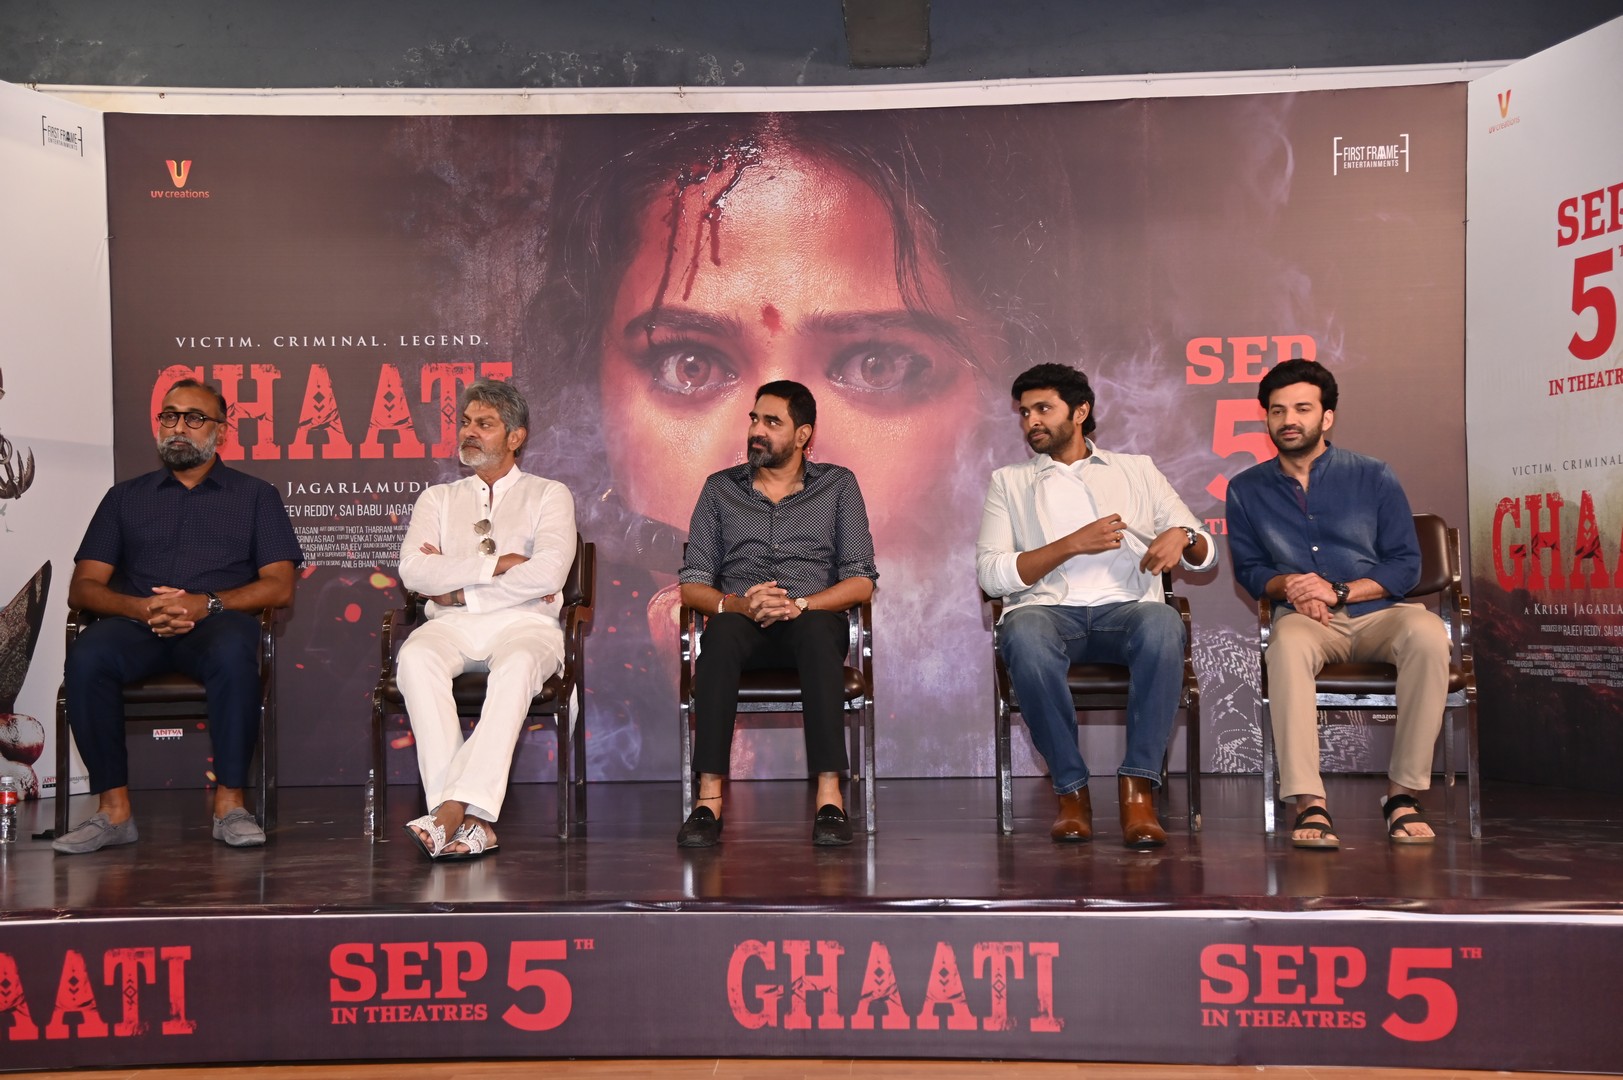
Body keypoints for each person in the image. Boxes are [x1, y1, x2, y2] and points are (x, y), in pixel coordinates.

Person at [534, 111, 1084, 783]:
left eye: (878, 364)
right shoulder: (572, 732)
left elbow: (856, 580)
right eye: (690, 364)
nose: (761, 439)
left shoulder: (850, 505)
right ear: (595, 395)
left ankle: (825, 795)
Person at [56, 379, 302, 853]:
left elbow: (280, 585)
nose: (179, 427)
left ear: (221, 431)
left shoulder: (255, 496)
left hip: (216, 622)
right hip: (137, 625)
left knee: (234, 652)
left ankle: (230, 805)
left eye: (194, 418)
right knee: (88, 656)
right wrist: (141, 607)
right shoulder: (124, 497)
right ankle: (114, 812)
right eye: (170, 416)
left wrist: (204, 602)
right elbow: (82, 587)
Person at [976, 363, 1215, 848]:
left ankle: (1138, 789)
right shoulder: (1011, 482)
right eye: (1024, 413)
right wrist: (1070, 544)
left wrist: (1183, 534)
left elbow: (1204, 549)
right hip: (1047, 613)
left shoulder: (1136, 470)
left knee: (1162, 622)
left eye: (1043, 409)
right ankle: (1072, 791)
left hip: (1125, 612)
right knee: (1022, 633)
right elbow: (991, 574)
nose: (1031, 422)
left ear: (1080, 411)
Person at [1225, 358, 1449, 849]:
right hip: (1307, 621)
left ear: (1326, 417)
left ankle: (1402, 795)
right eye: (1278, 410)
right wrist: (1294, 587)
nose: (1289, 420)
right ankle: (1310, 801)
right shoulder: (1246, 489)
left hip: (1378, 614)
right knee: (1285, 646)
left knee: (1431, 634)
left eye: (1302, 408)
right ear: (1265, 419)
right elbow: (1250, 571)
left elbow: (1405, 565)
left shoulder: (1372, 476)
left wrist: (1340, 590)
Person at [675, 379, 878, 848]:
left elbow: (861, 579)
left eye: (771, 422)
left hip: (810, 617)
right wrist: (738, 603)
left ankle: (830, 800)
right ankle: (707, 804)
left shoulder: (838, 485)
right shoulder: (719, 490)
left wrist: (800, 603)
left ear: (803, 434)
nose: (756, 431)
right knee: (721, 635)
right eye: (753, 419)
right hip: (742, 620)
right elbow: (692, 583)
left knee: (812, 632)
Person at [395, 379, 576, 860]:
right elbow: (413, 570)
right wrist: (496, 565)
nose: (469, 432)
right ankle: (465, 824)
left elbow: (550, 571)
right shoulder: (437, 499)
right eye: (466, 422)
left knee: (516, 668)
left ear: (515, 437)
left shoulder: (549, 495)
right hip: (449, 625)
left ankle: (451, 813)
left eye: (485, 424)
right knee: (414, 658)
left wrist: (458, 590)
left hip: (528, 625)